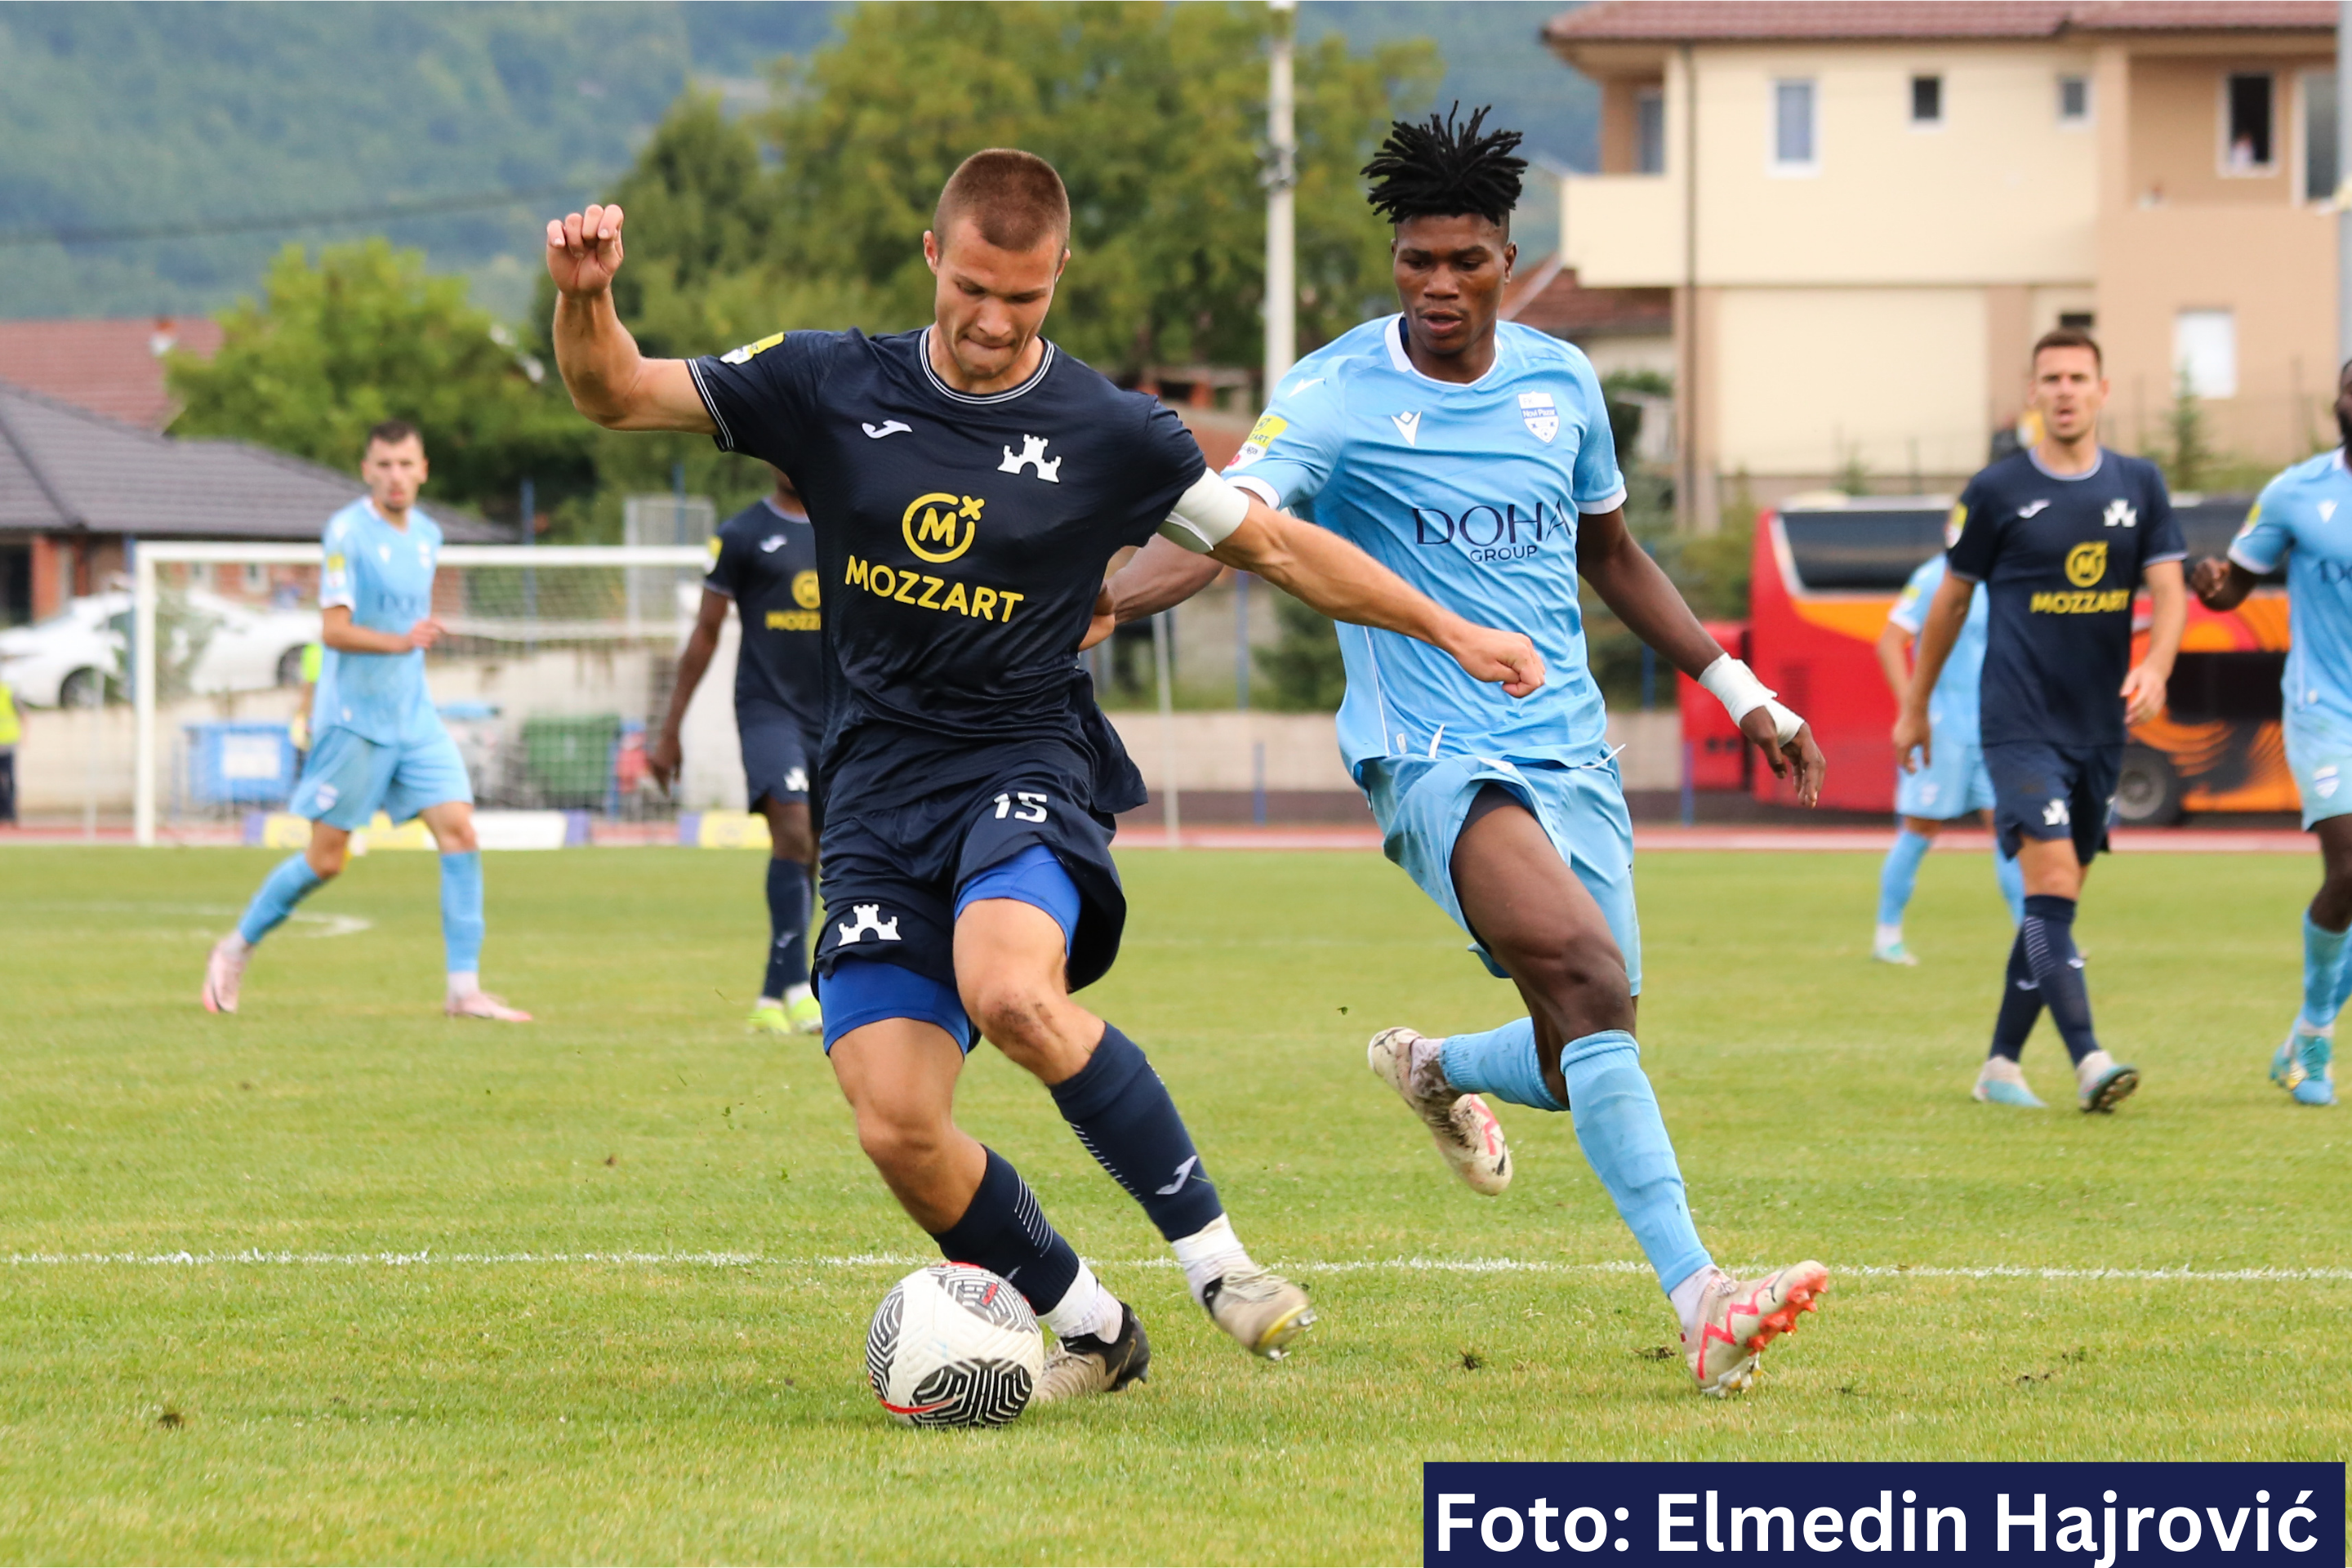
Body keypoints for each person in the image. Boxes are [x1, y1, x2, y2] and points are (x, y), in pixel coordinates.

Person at [543, 149, 1544, 1400]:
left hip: (1024, 762)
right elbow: (615, 394)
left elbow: (1279, 548)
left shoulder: (1113, 432)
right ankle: (1092, 1329)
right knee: (896, 1123)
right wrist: (587, 299)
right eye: (972, 287)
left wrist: (1452, 630)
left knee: (1012, 989)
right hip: (869, 795)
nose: (992, 320)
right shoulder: (824, 380)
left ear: (1058, 274)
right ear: (932, 256)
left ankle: (1220, 1265)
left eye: (1023, 298)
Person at [1099, 107, 1832, 1398]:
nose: (1439, 287)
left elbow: (1611, 553)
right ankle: (1703, 1299)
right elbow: (1233, 525)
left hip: (1569, 750)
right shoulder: (1335, 389)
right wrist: (1107, 599)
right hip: (1431, 749)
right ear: (1396, 260)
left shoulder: (1564, 383)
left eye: (1467, 261)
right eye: (1416, 262)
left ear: (1507, 254)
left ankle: (1435, 1067)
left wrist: (1741, 686)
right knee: (1588, 973)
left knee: (1583, 1038)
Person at [1897, 328, 2185, 1112]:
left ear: (2103, 390)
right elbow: (1950, 603)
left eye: (2077, 377)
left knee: (2050, 909)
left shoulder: (2141, 483)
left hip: (2100, 727)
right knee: (2052, 886)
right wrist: (1916, 706)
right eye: (2050, 378)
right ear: (2033, 393)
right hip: (2018, 725)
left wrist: (2155, 664)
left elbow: (2169, 590)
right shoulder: (1994, 491)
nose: (2064, 390)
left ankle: (1999, 1065)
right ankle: (2090, 1059)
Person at [202, 421, 530, 1023]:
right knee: (327, 858)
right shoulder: (347, 533)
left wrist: (416, 638)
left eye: (406, 464)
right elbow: (333, 631)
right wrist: (403, 641)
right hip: (354, 720)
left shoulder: (429, 535)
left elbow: (410, 626)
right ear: (366, 470)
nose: (395, 477)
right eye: (384, 465)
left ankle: (463, 989)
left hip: (414, 715)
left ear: (423, 469)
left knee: (459, 831)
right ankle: (233, 949)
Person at [2189, 356, 2352, 1108]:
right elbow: (2235, 590)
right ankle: (2316, 1036)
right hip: (2326, 707)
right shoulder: (2296, 491)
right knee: (2350, 864)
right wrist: (2211, 582)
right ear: (2338, 402)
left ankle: (2296, 1039)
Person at [650, 466, 826, 1037]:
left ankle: (773, 994)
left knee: (815, 851)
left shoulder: (848, 522)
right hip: (767, 712)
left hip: (839, 715)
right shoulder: (742, 534)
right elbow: (704, 633)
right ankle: (799, 985)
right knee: (793, 831)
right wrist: (670, 729)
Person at [1872, 529, 2025, 966]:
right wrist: (1912, 710)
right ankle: (1887, 937)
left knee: (2011, 832)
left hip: (1995, 730)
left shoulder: (2003, 580)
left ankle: (2034, 940)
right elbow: (1888, 642)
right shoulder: (1933, 577)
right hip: (1941, 729)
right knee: (1920, 830)